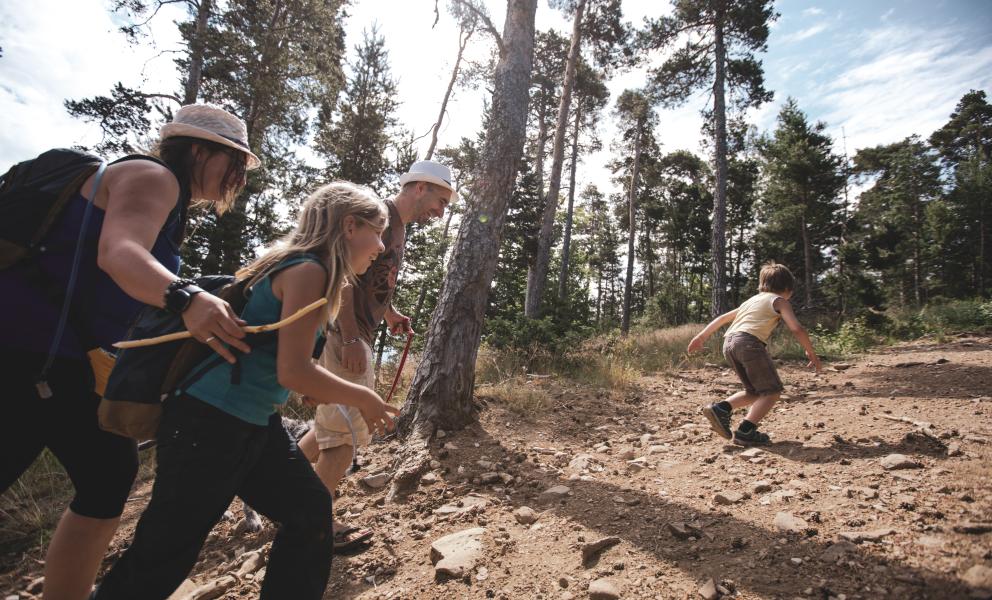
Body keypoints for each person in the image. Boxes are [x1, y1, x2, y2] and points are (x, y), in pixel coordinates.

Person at [92, 181, 400, 599]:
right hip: (209, 424)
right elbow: (293, 371)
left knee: (310, 512)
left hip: (251, 422)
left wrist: (308, 385)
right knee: (165, 551)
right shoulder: (310, 271)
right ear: (349, 226)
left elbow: (280, 361)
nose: (380, 246)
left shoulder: (305, 269)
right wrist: (362, 396)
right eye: (376, 232)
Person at [0, 103, 257, 600]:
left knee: (108, 476)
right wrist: (185, 298)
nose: (238, 178)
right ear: (199, 151)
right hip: (23, 353)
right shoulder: (154, 178)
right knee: (103, 475)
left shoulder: (161, 192)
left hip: (60, 362)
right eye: (235, 163)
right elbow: (119, 252)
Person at [297, 160, 455, 549]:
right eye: (440, 200)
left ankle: (279, 487)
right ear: (420, 187)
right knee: (344, 438)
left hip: (353, 331)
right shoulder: (379, 217)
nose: (441, 212)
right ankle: (311, 524)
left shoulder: (396, 227)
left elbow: (371, 280)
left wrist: (389, 312)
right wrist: (351, 337)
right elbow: (344, 275)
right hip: (346, 335)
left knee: (330, 427)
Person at [687, 262, 823, 446]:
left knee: (754, 392)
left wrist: (701, 337)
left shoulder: (751, 301)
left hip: (729, 343)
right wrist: (810, 352)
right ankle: (746, 431)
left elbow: (723, 318)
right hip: (749, 343)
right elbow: (796, 328)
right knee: (772, 392)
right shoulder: (779, 301)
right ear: (788, 289)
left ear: (762, 284)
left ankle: (721, 408)